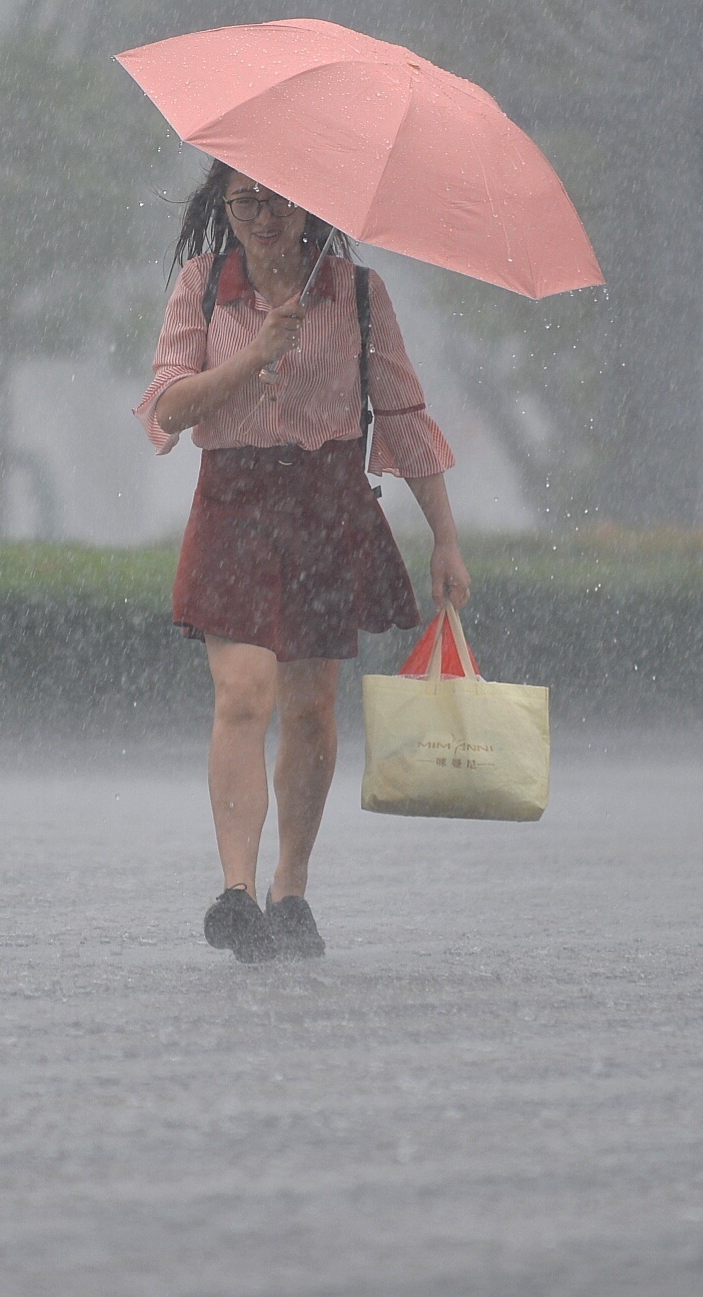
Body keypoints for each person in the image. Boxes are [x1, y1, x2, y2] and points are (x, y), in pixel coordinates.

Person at [135, 159, 471, 963]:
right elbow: (167, 408)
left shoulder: (357, 292)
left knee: (314, 707)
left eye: (278, 200)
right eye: (244, 199)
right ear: (223, 202)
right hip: (233, 505)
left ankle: (291, 888)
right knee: (242, 695)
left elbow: (402, 415)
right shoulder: (200, 285)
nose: (261, 215)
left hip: (327, 506)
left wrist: (447, 540)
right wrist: (254, 356)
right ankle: (236, 892)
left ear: (310, 204)